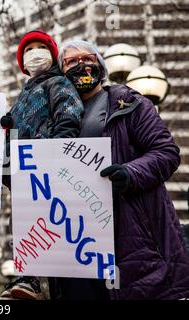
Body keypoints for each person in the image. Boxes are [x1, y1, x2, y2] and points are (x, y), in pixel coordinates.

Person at [55, 39, 189, 300]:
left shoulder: (130, 104)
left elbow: (167, 153)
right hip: (72, 246)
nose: (81, 64)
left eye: (88, 58)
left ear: (100, 67)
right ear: (60, 73)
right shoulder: (51, 119)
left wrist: (130, 173)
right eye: (71, 61)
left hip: (133, 241)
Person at [0, 30, 84, 300]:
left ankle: (49, 278)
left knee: (52, 222)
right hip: (22, 173)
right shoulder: (21, 97)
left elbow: (69, 117)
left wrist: (56, 154)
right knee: (23, 224)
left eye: (40, 47)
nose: (35, 52)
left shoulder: (58, 83)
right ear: (22, 62)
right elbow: (10, 136)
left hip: (49, 167)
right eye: (28, 49)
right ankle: (28, 279)